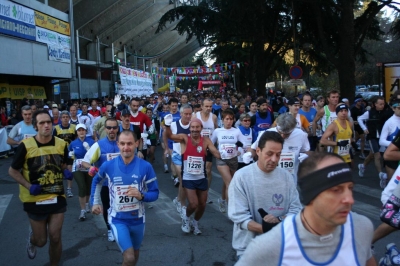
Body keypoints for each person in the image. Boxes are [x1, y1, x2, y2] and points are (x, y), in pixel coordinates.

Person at [237, 152, 376, 265]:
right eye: (336, 190)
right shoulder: (269, 246)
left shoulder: (361, 227)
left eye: (350, 188)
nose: (350, 199)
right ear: (311, 195)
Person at [8, 110, 73, 265]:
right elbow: (12, 171)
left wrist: (66, 171)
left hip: (56, 196)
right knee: (42, 241)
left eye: (48, 122)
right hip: (34, 198)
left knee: (55, 237)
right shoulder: (26, 146)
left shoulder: (61, 144)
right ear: (36, 126)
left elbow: (63, 163)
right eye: (42, 123)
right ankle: (33, 239)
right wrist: (28, 186)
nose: (46, 126)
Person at [228, 131, 302, 259]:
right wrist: (268, 229)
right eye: (269, 154)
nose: (274, 159)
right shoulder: (241, 177)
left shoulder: (287, 177)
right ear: (258, 151)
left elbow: (296, 210)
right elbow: (239, 216)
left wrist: (279, 220)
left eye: (278, 155)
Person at [91, 130, 159, 266]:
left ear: (136, 144)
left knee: (134, 256)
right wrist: (95, 202)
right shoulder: (108, 165)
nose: (126, 147)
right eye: (122, 144)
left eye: (129, 143)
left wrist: (141, 196)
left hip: (138, 219)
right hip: (118, 220)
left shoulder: (146, 167)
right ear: (118, 144)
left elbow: (155, 193)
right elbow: (96, 181)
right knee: (129, 258)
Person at [164, 116, 221, 235]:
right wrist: (168, 125)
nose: (195, 129)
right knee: (193, 204)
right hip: (188, 177)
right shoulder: (185, 138)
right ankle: (186, 217)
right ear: (189, 128)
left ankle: (195, 222)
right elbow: (170, 136)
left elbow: (216, 153)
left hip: (201, 177)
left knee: (202, 204)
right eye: (193, 127)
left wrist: (226, 153)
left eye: (197, 127)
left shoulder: (206, 140)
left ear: (201, 128)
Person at [82, 118, 120, 242]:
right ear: (105, 129)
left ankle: (120, 228)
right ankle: (110, 229)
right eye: (109, 128)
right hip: (105, 184)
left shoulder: (123, 142)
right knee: (108, 207)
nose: (112, 130)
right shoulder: (99, 145)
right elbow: (85, 162)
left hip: (122, 183)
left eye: (114, 127)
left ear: (117, 129)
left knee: (121, 207)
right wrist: (92, 168)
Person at [211, 109, 241, 213]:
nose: (229, 121)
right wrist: (216, 152)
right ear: (222, 120)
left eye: (231, 119)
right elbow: (211, 144)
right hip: (221, 160)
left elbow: (242, 145)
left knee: (226, 182)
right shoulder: (217, 131)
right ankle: (231, 210)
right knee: (230, 183)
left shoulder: (237, 131)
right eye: (227, 119)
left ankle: (222, 200)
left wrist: (239, 151)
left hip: (233, 160)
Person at [357, 96, 387, 188]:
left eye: (383, 104)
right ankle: (381, 175)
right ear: (375, 104)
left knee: (372, 154)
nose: (382, 106)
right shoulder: (369, 113)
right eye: (380, 104)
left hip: (381, 137)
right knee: (377, 155)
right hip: (372, 137)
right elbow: (359, 119)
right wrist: (364, 128)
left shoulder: (386, 112)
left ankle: (362, 166)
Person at [68, 124, 95, 220]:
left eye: (83, 130)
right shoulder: (73, 143)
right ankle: (82, 210)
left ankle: (87, 204)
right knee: (82, 186)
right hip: (78, 167)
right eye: (79, 130)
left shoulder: (91, 142)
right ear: (76, 132)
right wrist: (70, 156)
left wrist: (89, 149)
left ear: (86, 131)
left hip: (89, 167)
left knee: (88, 187)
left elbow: (96, 155)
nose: (81, 132)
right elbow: (69, 154)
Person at [195, 98, 218, 201]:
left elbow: (217, 131)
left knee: (208, 170)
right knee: (198, 170)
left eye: (210, 106)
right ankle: (196, 190)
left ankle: (206, 193)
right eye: (207, 106)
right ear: (202, 106)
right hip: (197, 147)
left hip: (209, 147)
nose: (209, 108)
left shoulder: (214, 117)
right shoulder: (196, 116)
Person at [53, 110, 77, 198]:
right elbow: (54, 140)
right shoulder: (56, 128)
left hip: (70, 152)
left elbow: (76, 139)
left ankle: (69, 189)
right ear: (60, 119)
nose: (65, 119)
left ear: (69, 118)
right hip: (60, 152)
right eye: (63, 117)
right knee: (58, 170)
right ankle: (57, 188)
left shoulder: (74, 127)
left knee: (69, 169)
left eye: (67, 117)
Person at [379, 99, 400, 183]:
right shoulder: (389, 122)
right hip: (391, 156)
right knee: (393, 183)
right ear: (393, 108)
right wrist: (395, 145)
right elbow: (381, 141)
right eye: (398, 108)